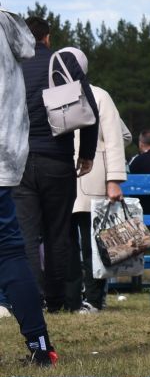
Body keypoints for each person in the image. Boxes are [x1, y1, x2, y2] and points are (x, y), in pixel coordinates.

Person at [17, 17, 98, 316]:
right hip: (58, 159)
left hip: (19, 162)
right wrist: (86, 154)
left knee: (25, 233)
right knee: (58, 232)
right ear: (47, 38)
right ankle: (57, 300)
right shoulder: (61, 62)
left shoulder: (11, 64)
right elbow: (90, 109)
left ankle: (30, 299)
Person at [0, 0, 56, 365]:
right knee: (10, 252)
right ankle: (38, 346)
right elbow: (28, 46)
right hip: (6, 157)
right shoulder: (9, 27)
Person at [64, 50, 128, 312]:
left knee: (93, 244)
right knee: (67, 243)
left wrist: (113, 178)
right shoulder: (97, 96)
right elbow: (123, 136)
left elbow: (117, 137)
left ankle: (93, 297)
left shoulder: (99, 96)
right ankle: (73, 298)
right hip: (70, 179)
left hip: (90, 179)